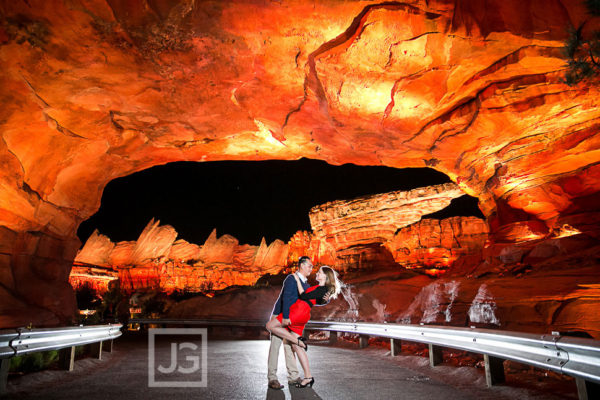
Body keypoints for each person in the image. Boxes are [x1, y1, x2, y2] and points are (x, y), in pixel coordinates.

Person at [266, 265, 342, 389]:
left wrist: (297, 281)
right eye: (311, 267)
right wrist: (324, 300)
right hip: (302, 314)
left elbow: (303, 296)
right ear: (302, 266)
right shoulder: (317, 287)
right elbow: (317, 299)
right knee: (295, 347)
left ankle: (298, 342)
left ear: (325, 276)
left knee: (270, 325)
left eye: (319, 272)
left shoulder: (317, 288)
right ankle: (308, 377)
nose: (315, 272)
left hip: (296, 313)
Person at [266, 256, 313, 390]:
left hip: (291, 318)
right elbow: (286, 298)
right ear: (302, 265)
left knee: (289, 346)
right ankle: (272, 378)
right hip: (280, 316)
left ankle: (293, 377)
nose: (311, 268)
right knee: (275, 346)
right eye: (309, 265)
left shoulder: (306, 285)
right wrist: (285, 317)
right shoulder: (291, 279)